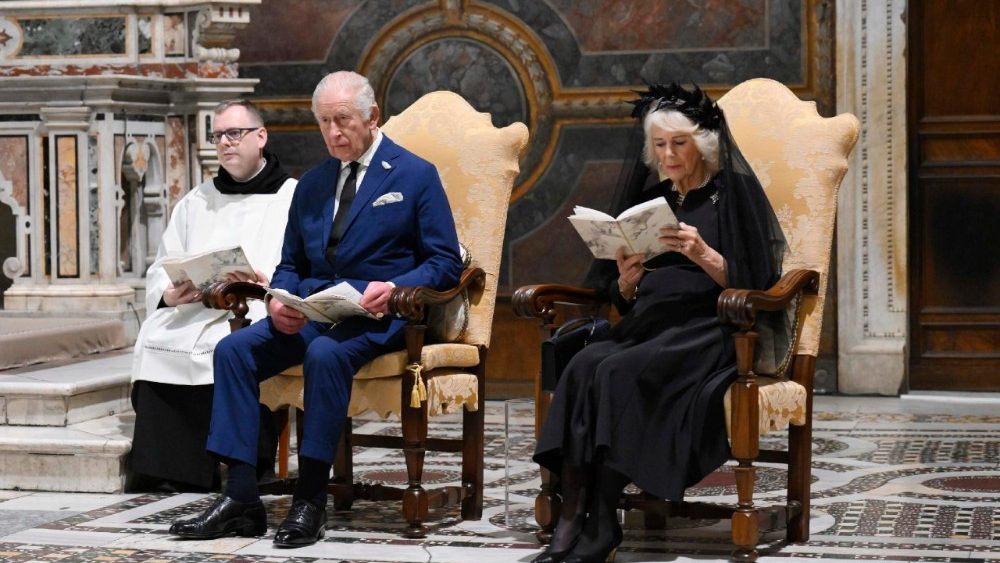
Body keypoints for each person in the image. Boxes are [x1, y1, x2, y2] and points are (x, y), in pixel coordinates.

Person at [168, 71, 464, 547]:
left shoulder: (414, 175)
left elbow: (446, 261)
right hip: (317, 311)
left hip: (384, 315)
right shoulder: (312, 183)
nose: (333, 132)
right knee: (234, 351)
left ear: (372, 117)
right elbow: (290, 263)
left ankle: (310, 500)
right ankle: (242, 497)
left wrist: (395, 286)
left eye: (342, 120)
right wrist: (280, 299)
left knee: (326, 355)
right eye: (324, 122)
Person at [531, 83, 791, 563]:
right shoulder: (653, 199)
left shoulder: (734, 195)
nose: (668, 154)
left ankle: (603, 520)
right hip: (649, 327)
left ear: (704, 144)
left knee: (612, 372)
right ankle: (570, 520)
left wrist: (706, 255)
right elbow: (621, 297)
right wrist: (627, 282)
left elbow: (759, 286)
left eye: (679, 143)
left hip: (712, 332)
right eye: (660, 145)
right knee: (585, 364)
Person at [129, 99, 296, 492]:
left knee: (234, 345)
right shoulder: (197, 200)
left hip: (255, 308)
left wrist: (266, 281)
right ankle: (174, 470)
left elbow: (302, 265)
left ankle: (248, 464)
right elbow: (162, 264)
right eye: (218, 135)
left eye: (234, 133)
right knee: (156, 339)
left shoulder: (294, 197)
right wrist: (169, 295)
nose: (225, 143)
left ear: (261, 136)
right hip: (195, 308)